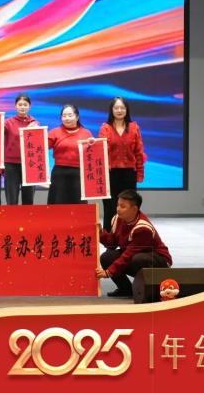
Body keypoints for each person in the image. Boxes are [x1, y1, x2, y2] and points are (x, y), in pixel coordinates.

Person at [97, 189, 172, 297]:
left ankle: (151, 290)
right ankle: (126, 289)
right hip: (135, 256)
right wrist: (100, 234)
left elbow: (128, 255)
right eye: (118, 205)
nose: (118, 209)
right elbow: (112, 243)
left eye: (123, 206)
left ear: (134, 209)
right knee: (106, 257)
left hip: (158, 261)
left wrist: (108, 272)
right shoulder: (117, 219)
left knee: (138, 259)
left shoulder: (142, 228)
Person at [98, 97, 147, 232]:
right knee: (110, 207)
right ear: (111, 110)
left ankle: (128, 236)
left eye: (122, 108)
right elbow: (100, 151)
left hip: (129, 174)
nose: (119, 110)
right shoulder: (105, 128)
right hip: (110, 174)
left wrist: (140, 173)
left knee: (128, 207)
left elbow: (139, 152)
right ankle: (109, 238)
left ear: (126, 110)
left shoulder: (134, 127)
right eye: (116, 108)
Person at [47, 104, 94, 204]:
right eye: (64, 116)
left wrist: (94, 145)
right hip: (59, 173)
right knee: (57, 203)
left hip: (79, 173)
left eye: (70, 115)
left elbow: (92, 155)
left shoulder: (86, 133)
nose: (67, 118)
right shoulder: (54, 132)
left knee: (78, 204)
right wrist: (35, 132)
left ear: (77, 117)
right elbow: (40, 148)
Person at [4, 93, 39, 205]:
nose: (22, 107)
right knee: (12, 199)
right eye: (20, 104)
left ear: (29, 106)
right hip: (11, 165)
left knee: (28, 199)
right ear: (15, 106)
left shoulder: (35, 123)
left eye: (25, 104)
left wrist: (36, 130)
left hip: (29, 164)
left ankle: (28, 216)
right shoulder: (8, 123)